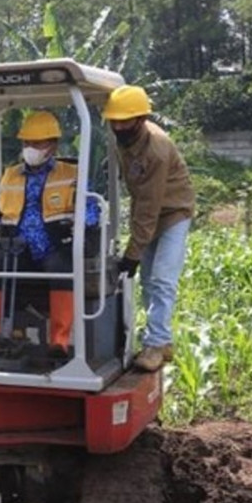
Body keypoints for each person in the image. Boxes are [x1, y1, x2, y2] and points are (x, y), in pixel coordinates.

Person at [0, 110, 100, 357]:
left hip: (55, 243)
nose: (30, 148)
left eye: (37, 143)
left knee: (61, 270)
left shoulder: (71, 175)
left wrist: (82, 223)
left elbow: (92, 208)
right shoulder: (11, 175)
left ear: (53, 145)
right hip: (18, 245)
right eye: (27, 143)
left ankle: (59, 341)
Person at [102, 85, 196, 372]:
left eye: (124, 120)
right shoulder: (125, 140)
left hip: (173, 213)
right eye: (114, 120)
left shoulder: (157, 149)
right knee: (146, 283)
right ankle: (161, 339)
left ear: (141, 119)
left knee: (162, 279)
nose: (118, 126)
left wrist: (132, 253)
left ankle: (156, 344)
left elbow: (149, 206)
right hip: (148, 212)